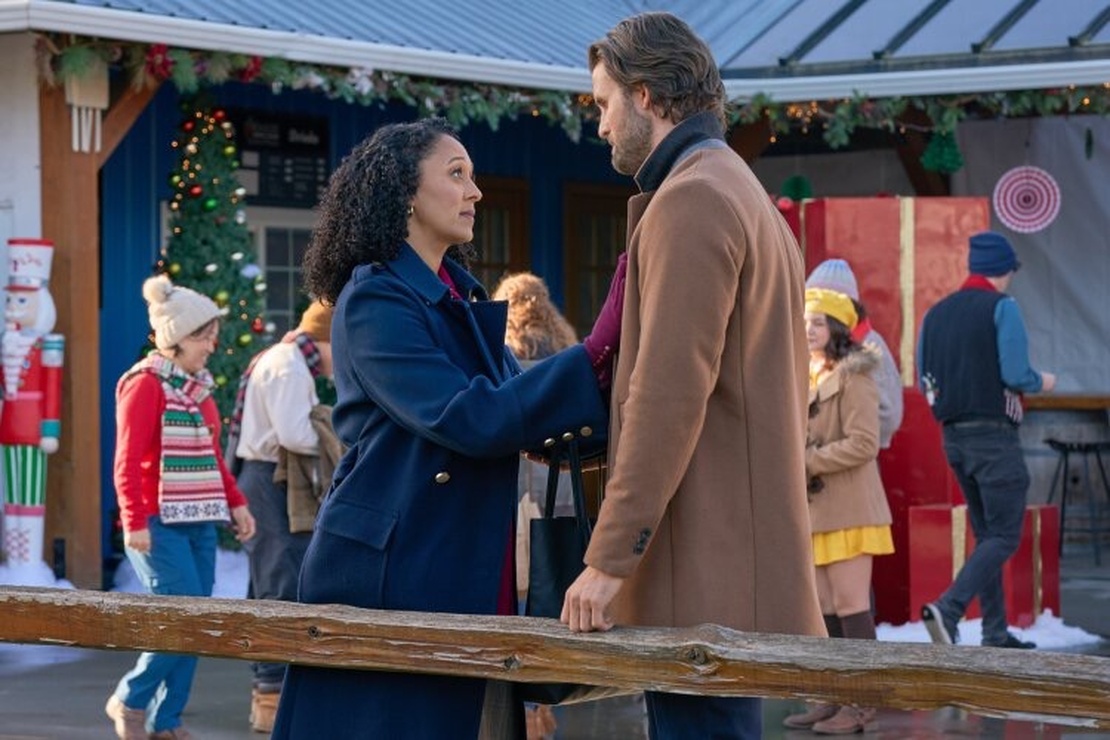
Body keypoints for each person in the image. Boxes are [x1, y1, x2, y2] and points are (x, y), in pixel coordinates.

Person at [271, 118, 614, 740]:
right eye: (457, 174)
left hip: (458, 559)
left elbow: (514, 408)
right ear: (405, 191)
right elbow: (470, 418)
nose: (475, 191)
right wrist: (593, 354)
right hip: (392, 572)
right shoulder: (375, 298)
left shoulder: (456, 295)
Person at [563, 12, 826, 738]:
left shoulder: (693, 197)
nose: (600, 125)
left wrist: (608, 559)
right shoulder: (736, 186)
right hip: (726, 565)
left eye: (604, 104)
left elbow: (667, 395)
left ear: (646, 95)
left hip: (701, 575)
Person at [107, 275, 256, 740]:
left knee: (196, 621)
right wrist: (133, 521)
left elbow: (211, 456)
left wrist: (236, 503)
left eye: (213, 334)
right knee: (180, 620)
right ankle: (130, 699)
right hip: (156, 521)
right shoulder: (145, 386)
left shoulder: (198, 389)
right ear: (175, 338)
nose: (212, 345)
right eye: (203, 336)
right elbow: (127, 461)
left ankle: (166, 720)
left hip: (199, 518)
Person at [918, 231, 1055, 649]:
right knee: (1004, 535)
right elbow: (1015, 374)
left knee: (987, 535)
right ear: (1005, 270)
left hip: (953, 438)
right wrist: (1042, 381)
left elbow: (924, 379)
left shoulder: (935, 313)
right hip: (994, 436)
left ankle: (994, 631)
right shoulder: (1002, 307)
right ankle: (949, 609)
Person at [783, 288, 894, 734]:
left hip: (850, 508)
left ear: (837, 328)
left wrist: (808, 459)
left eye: (818, 321)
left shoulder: (856, 375)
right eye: (805, 321)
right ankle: (831, 697)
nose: (808, 329)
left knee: (851, 606)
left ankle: (862, 703)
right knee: (825, 607)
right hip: (816, 509)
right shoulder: (805, 373)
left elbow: (865, 443)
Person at [228, 299, 336, 733]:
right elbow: (295, 433)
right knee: (279, 582)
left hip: (266, 478)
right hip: (269, 480)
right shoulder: (289, 366)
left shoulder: (285, 360)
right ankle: (271, 697)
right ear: (325, 340)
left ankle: (267, 691)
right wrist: (333, 432)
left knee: (270, 581)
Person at [492, 271, 579, 740]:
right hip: (557, 490)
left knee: (512, 597)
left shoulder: (497, 352)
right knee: (549, 593)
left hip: (510, 488)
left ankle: (519, 709)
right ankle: (540, 704)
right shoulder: (565, 352)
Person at [806, 258, 904, 448]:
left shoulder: (869, 346)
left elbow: (890, 416)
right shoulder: (811, 347)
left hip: (847, 458)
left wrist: (841, 436)